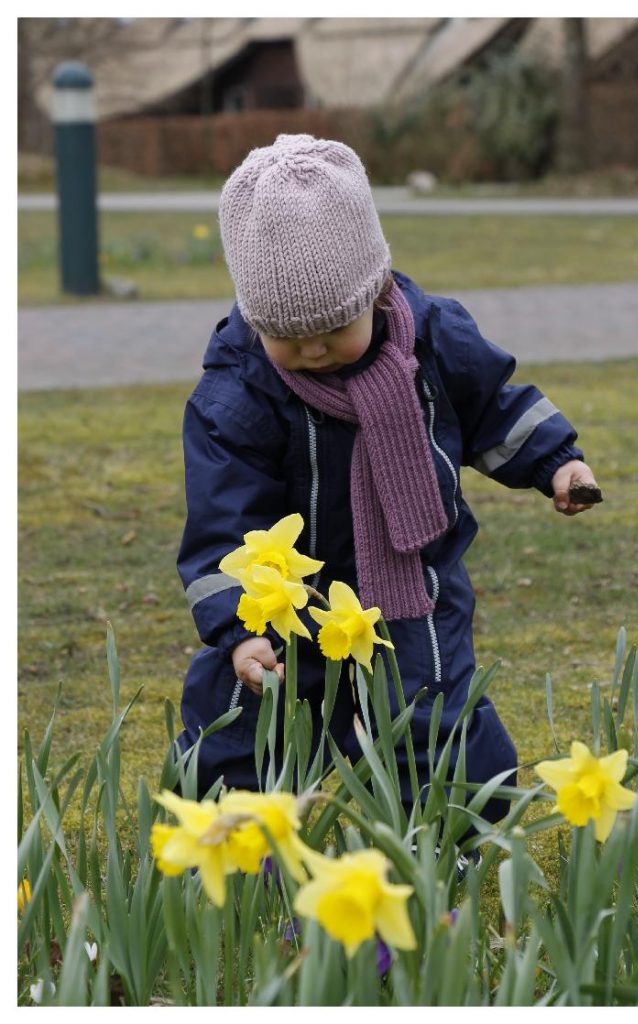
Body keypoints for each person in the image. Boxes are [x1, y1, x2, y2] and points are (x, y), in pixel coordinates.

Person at [176, 134, 598, 821]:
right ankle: (233, 847)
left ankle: (444, 845)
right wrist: (239, 630)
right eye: (288, 336)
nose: (312, 351)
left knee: (432, 718)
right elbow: (223, 525)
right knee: (251, 726)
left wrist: (556, 461)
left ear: (374, 290)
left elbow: (492, 405)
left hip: (413, 589)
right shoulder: (239, 393)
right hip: (292, 606)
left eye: (332, 329)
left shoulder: (434, 339)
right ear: (256, 321)